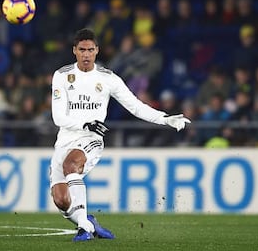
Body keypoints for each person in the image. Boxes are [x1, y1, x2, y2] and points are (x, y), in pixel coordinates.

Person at [49, 28, 191, 242]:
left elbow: (135, 106)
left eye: (90, 50)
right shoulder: (61, 76)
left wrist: (164, 119)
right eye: (82, 50)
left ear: (97, 50)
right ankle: (88, 222)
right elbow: (58, 117)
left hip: (91, 140)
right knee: (61, 200)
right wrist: (86, 123)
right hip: (66, 138)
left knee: (71, 165)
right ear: (74, 51)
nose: (86, 54)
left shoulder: (108, 78)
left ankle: (84, 230)